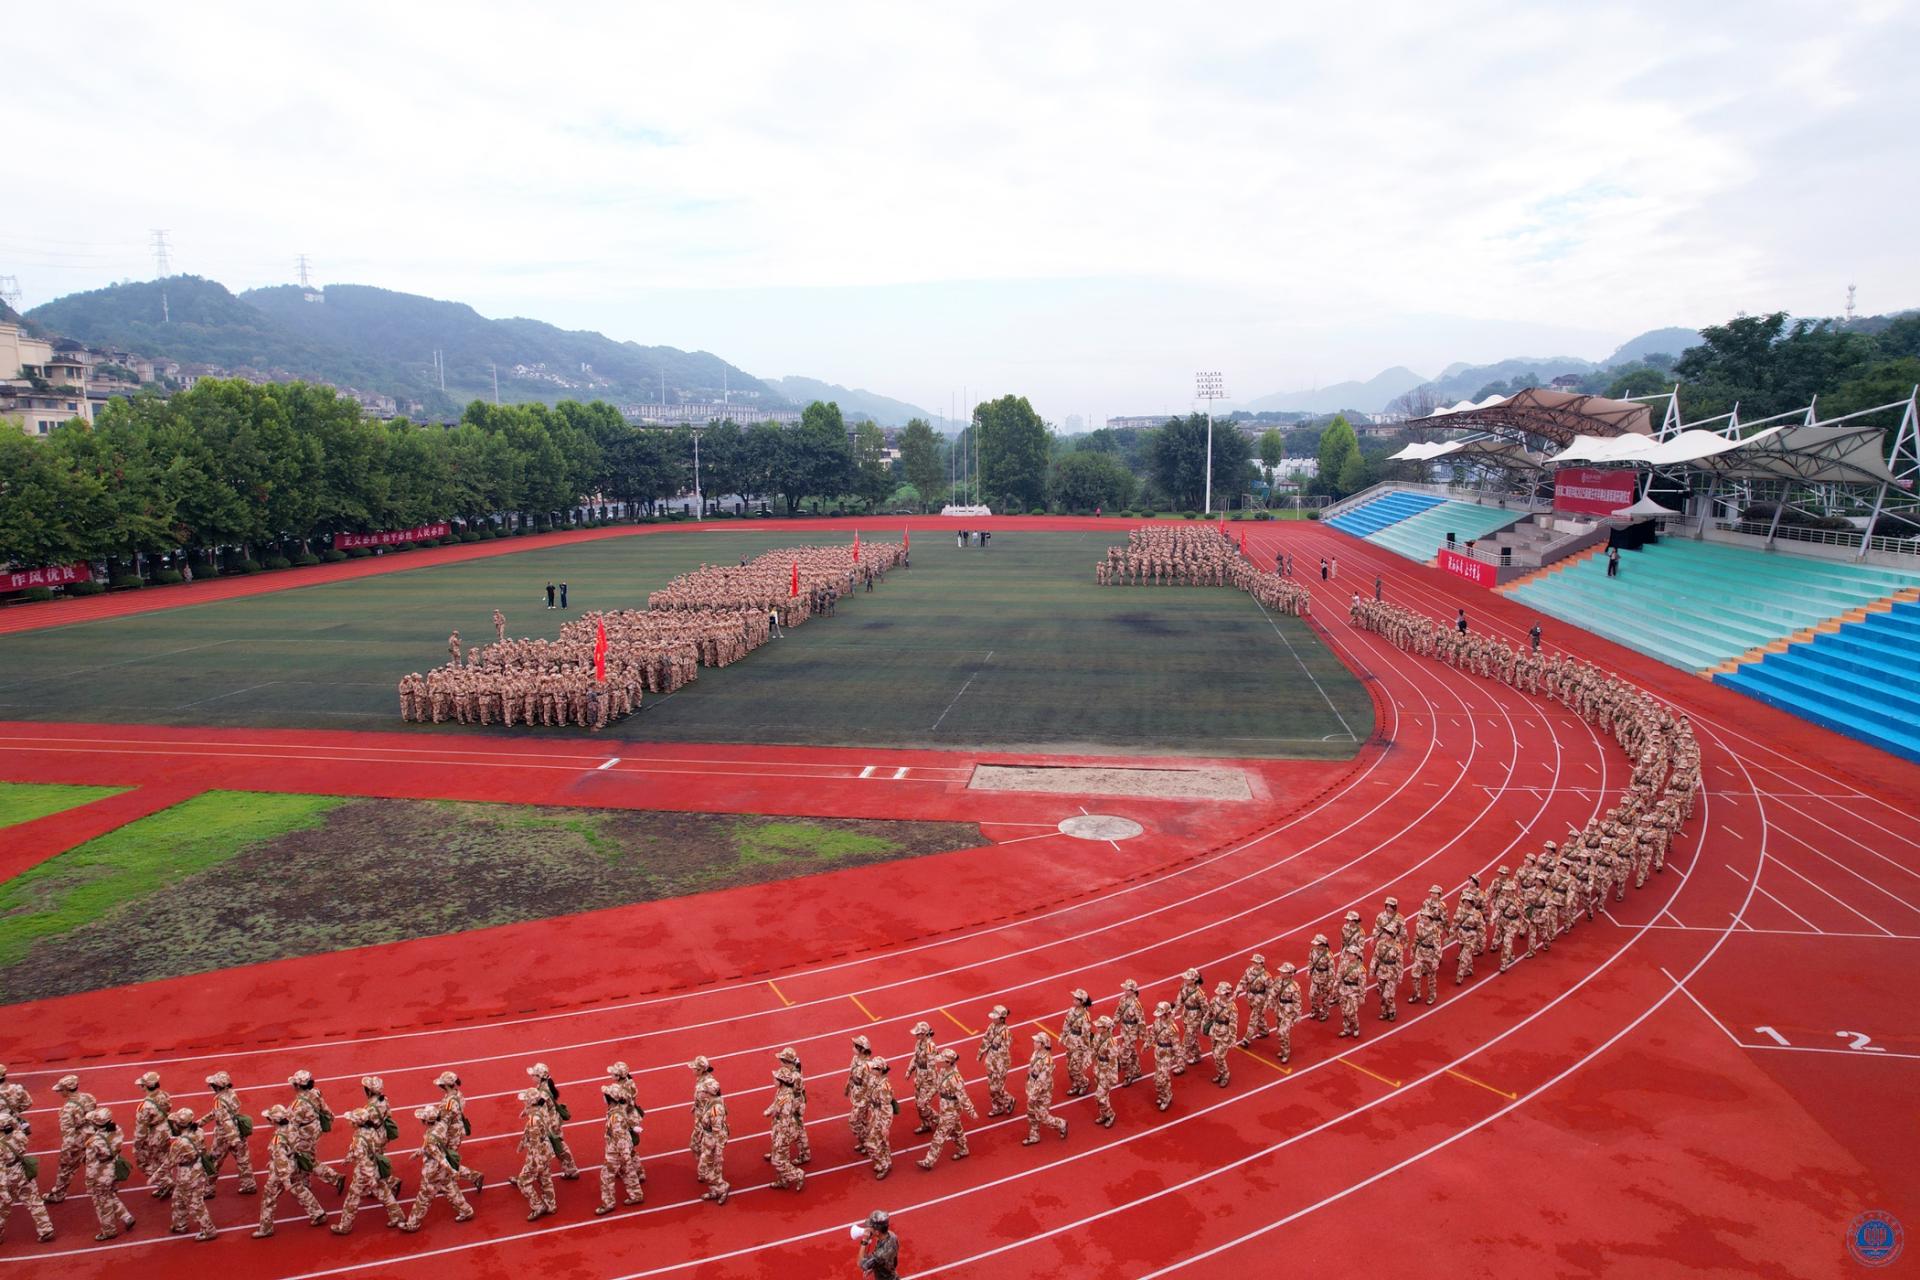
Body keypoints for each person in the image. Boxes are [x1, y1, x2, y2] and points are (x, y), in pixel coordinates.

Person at [858, 1209, 901, 1279]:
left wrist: (864, 1240)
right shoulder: (892, 1236)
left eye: (871, 1227)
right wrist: (874, 1266)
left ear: (877, 1232)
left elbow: (860, 1263)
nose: (868, 1229)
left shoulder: (880, 1254)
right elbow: (891, 1261)